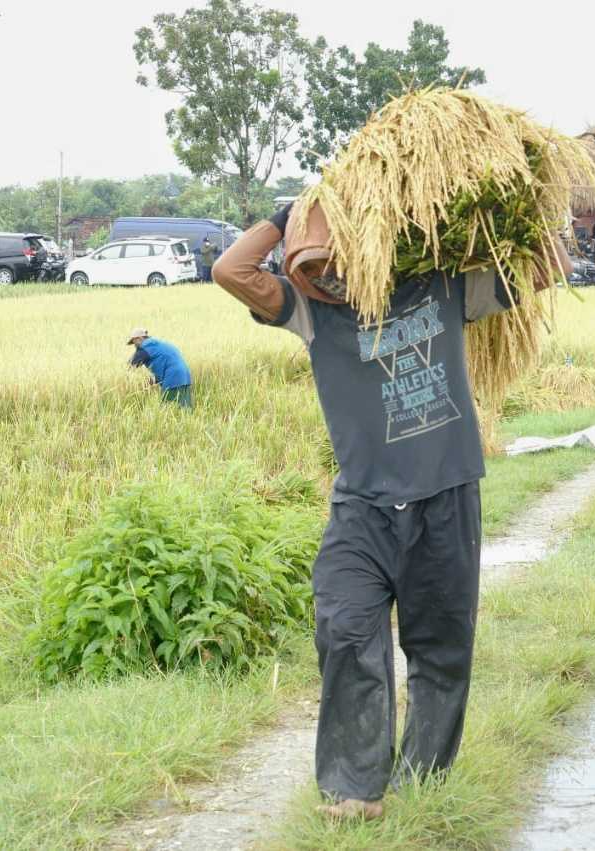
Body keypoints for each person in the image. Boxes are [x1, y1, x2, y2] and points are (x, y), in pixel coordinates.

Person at [213, 201, 568, 821]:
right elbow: (231, 269)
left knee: (440, 649)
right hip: (362, 509)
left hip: (446, 498)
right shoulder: (312, 313)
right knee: (345, 629)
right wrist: (283, 218)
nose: (337, 272)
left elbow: (550, 263)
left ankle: (422, 784)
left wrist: (505, 208)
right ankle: (356, 789)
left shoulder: (444, 288)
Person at [127, 328, 193, 408]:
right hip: (185, 377)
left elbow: (130, 366)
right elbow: (164, 365)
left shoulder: (145, 348)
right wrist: (151, 381)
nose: (134, 346)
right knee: (184, 407)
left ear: (140, 338)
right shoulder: (159, 345)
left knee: (168, 408)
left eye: (134, 342)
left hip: (173, 378)